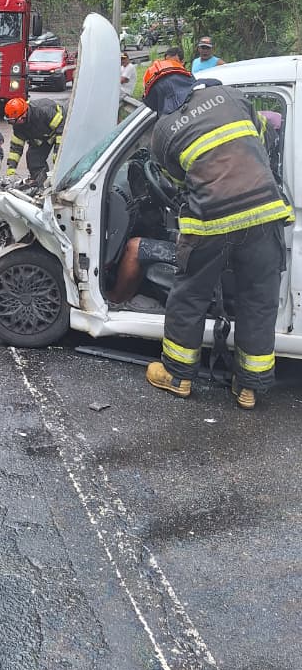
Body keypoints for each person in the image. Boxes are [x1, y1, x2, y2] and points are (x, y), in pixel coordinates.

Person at [141, 58, 293, 409]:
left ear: (154, 99)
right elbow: (260, 137)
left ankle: (177, 376)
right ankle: (249, 387)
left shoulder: (162, 132)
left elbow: (180, 182)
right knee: (258, 299)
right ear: (188, 77)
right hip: (264, 214)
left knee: (190, 296)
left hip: (211, 223)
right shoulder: (230, 96)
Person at [4, 96, 66, 182]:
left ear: (23, 115)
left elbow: (61, 130)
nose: (12, 123)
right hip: (43, 136)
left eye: (13, 120)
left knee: (62, 160)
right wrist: (11, 169)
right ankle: (41, 184)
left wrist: (58, 152)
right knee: (33, 159)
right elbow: (16, 147)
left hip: (61, 129)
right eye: (10, 121)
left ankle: (65, 182)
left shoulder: (42, 111)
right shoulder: (18, 125)